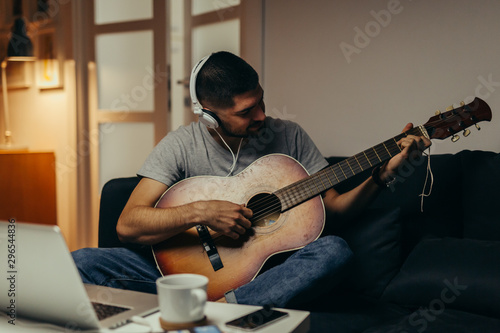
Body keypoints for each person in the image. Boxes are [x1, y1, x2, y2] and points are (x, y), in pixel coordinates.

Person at [72, 51, 431, 308]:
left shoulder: (289, 136)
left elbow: (333, 210)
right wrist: (202, 211)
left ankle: (226, 311)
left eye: (260, 101)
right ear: (210, 116)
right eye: (245, 112)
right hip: (181, 280)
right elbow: (128, 225)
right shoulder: (180, 145)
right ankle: (217, 309)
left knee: (335, 251)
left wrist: (381, 177)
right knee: (82, 261)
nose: (261, 116)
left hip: (264, 278)